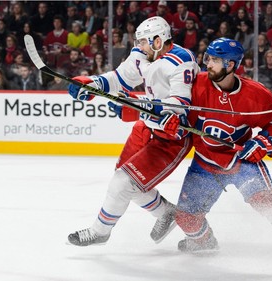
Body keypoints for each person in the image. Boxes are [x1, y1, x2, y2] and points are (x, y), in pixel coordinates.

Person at [160, 38, 272, 268]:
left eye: (215, 60)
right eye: (208, 58)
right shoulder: (195, 86)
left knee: (266, 201)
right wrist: (173, 124)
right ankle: (205, 242)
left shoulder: (255, 94)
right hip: (205, 162)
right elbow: (178, 117)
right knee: (185, 218)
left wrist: (263, 142)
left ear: (231, 65)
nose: (208, 64)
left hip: (241, 160)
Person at [66, 16, 199, 246]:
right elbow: (119, 79)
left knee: (122, 183)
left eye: (143, 42)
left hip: (171, 136)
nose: (138, 47)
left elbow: (179, 105)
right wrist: (92, 85)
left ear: (158, 41)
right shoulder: (143, 55)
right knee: (125, 180)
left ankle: (100, 231)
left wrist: (138, 108)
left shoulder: (181, 60)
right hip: (146, 128)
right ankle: (165, 212)